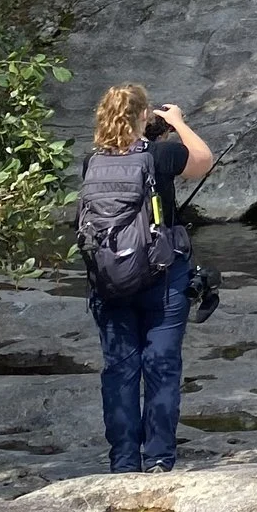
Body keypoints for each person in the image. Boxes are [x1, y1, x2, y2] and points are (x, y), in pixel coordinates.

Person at [83, 83, 214, 473]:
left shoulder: (91, 162)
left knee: (120, 370)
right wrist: (177, 123)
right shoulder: (161, 153)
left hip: (108, 280)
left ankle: (123, 462)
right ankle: (158, 459)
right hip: (162, 277)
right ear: (145, 116)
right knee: (161, 366)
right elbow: (203, 160)